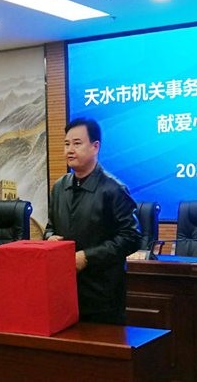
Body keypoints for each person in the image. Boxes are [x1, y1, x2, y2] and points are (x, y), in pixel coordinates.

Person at [44, 117, 142, 325]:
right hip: (63, 291)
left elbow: (131, 237)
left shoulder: (113, 189)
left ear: (95, 146)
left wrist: (87, 257)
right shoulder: (59, 187)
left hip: (102, 297)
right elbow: (50, 227)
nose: (70, 150)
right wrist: (49, 238)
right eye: (66, 144)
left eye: (77, 144)